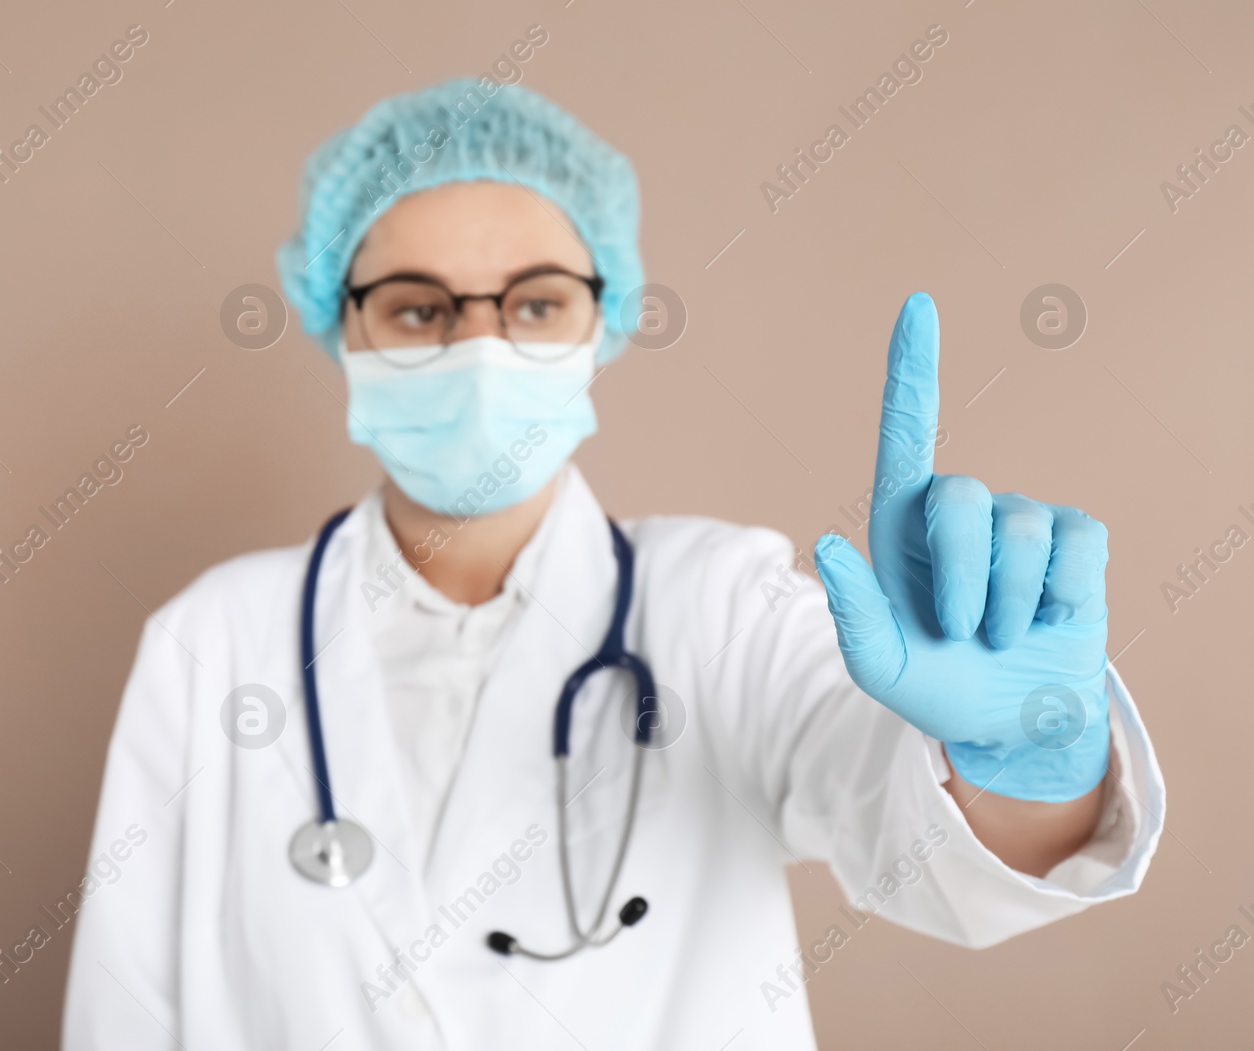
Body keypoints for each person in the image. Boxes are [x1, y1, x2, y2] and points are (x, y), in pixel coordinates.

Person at [62, 79, 1164, 1050]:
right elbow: (125, 1008)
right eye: (416, 309)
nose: (478, 348)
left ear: (605, 320)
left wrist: (1027, 763)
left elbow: (904, 840)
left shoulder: (718, 604)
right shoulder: (211, 641)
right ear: (338, 326)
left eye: (535, 301)